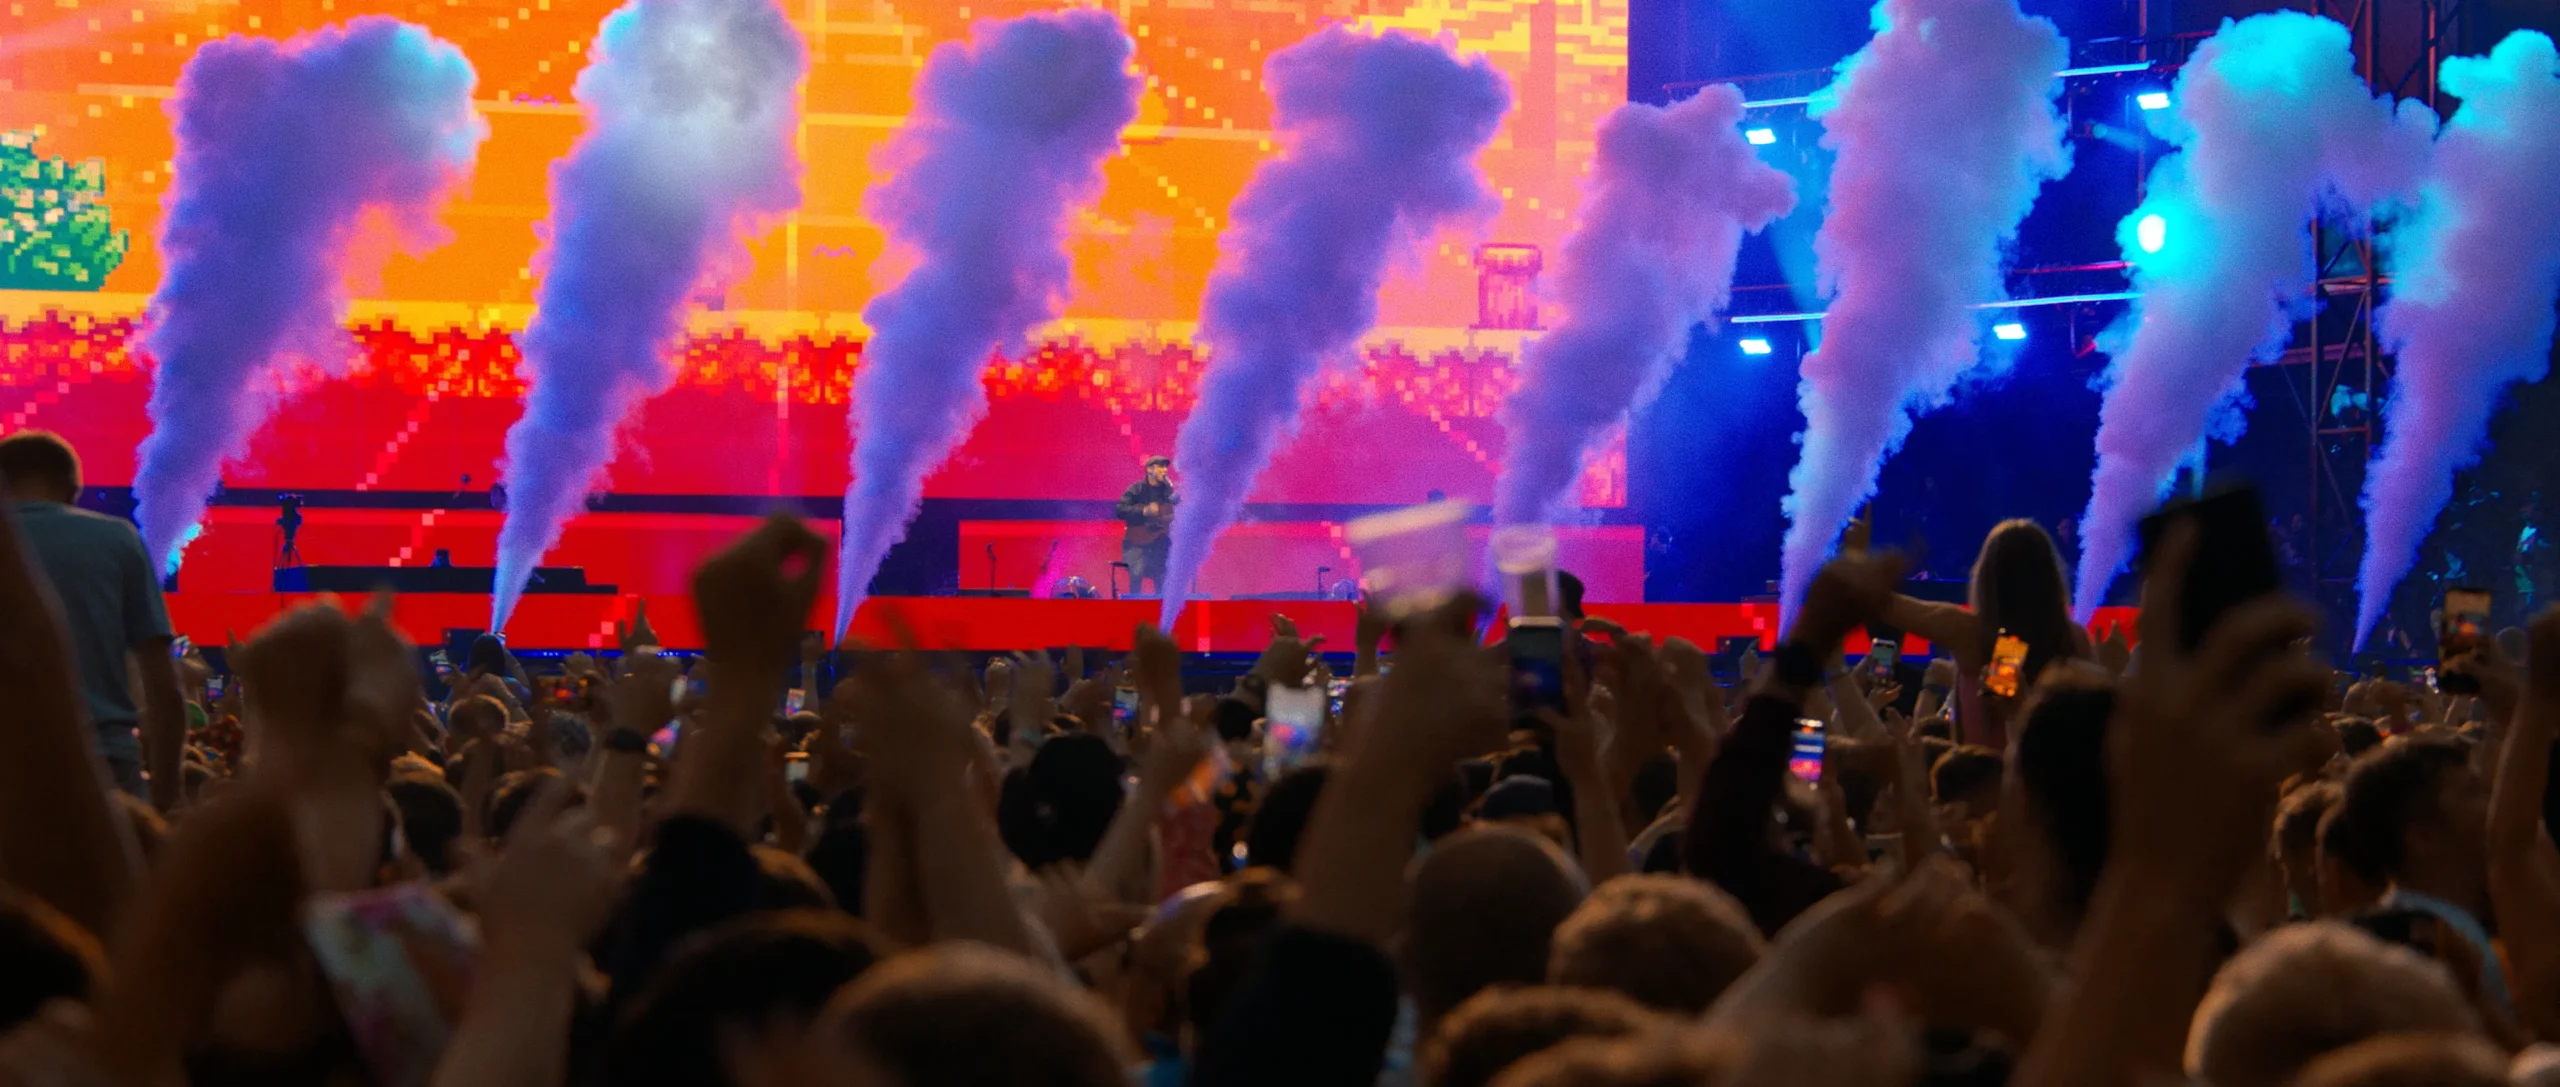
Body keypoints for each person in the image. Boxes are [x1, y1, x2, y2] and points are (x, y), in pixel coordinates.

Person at [0, 430, 183, 806]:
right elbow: (165, 690)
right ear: (72, 492)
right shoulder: (118, 540)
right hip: (105, 768)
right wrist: (164, 801)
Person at [1885, 518, 2089, 750]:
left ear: (1986, 576)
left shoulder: (1970, 632)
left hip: (1980, 781)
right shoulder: (2074, 639)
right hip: (2050, 782)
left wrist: (1864, 564)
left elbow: (1888, 606)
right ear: (2050, 576)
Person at [1116, 455, 1177, 596]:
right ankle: (1134, 612)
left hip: (1161, 544)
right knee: (1136, 577)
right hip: (1137, 544)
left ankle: (1160, 614)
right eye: (1160, 466)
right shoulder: (1136, 489)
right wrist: (1143, 510)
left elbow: (1178, 512)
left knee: (1162, 580)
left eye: (1166, 467)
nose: (1165, 470)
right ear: (1149, 469)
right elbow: (1120, 510)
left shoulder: (1169, 492)